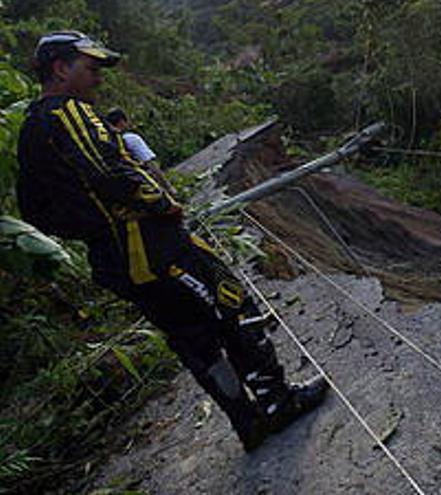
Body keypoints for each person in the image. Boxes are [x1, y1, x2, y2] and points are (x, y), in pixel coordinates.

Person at [15, 31, 328, 452]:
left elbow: (34, 211)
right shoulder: (70, 113)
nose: (98, 80)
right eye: (90, 69)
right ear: (60, 68)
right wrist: (162, 205)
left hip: (120, 260)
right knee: (232, 303)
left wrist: (93, 229)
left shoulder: (32, 128)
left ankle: (247, 422)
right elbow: (110, 175)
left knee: (192, 337)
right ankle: (277, 402)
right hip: (154, 247)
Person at [104, 107, 177, 194]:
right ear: (122, 121)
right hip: (148, 186)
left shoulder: (108, 143)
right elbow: (151, 165)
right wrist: (169, 189)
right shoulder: (131, 138)